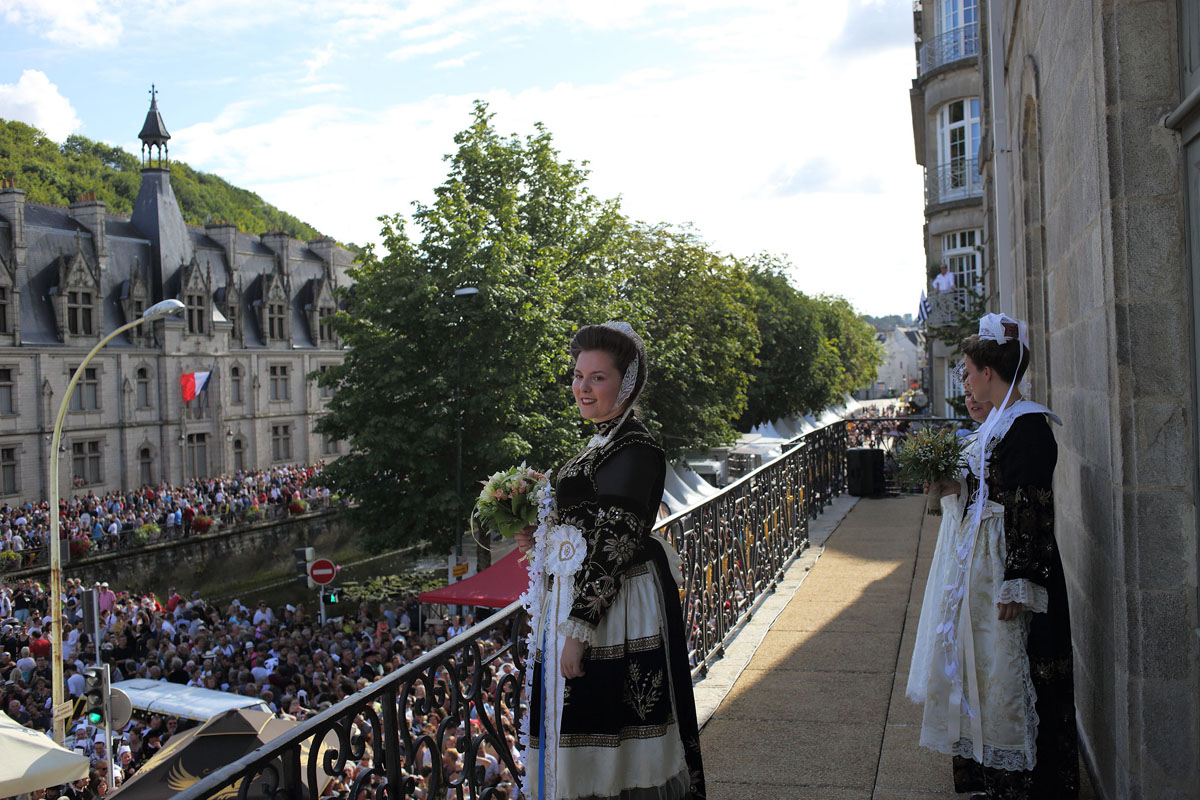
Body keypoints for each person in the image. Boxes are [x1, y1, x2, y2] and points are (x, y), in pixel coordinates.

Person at [516, 322, 705, 800]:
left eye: (597, 377)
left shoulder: (636, 447)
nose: (582, 387)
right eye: (578, 375)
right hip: (587, 602)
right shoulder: (602, 441)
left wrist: (578, 634)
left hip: (613, 610)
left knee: (612, 750)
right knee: (584, 742)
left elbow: (614, 544)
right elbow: (585, 523)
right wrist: (540, 536)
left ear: (627, 382)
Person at [907, 313, 1077, 799]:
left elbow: (1032, 507)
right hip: (980, 566)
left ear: (987, 370)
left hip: (1008, 568)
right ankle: (990, 774)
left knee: (1011, 672)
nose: (964, 378)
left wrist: (1018, 584)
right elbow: (987, 488)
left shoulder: (1029, 427)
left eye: (966, 369)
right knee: (981, 669)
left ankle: (1029, 783)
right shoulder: (997, 425)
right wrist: (953, 485)